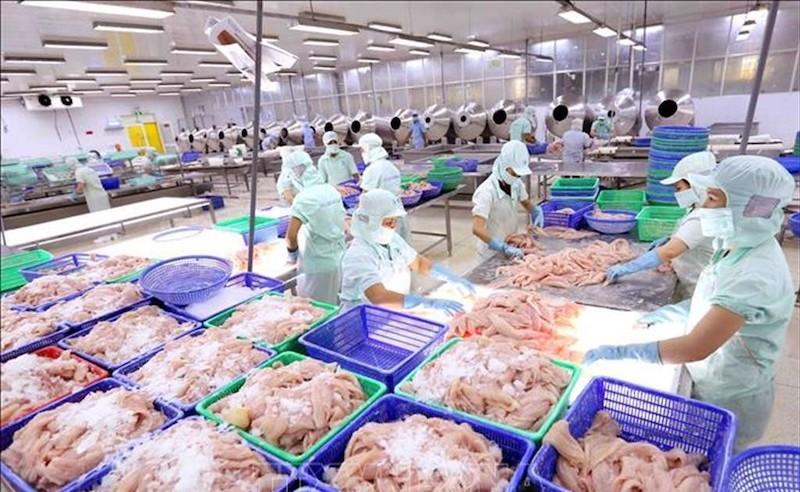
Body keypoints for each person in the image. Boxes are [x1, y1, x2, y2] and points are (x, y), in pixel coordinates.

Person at [585, 155, 796, 451]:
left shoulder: (754, 275)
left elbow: (695, 347)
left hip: (731, 392)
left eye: (712, 198)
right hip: (715, 375)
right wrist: (672, 312)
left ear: (750, 207)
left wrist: (619, 353)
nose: (704, 206)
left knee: (714, 457)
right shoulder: (737, 245)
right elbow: (714, 299)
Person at [340, 189, 474, 314]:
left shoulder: (392, 240)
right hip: (364, 319)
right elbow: (379, 297)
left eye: (394, 221)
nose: (393, 226)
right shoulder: (359, 255)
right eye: (388, 222)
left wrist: (450, 277)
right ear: (370, 221)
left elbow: (418, 263)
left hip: (392, 313)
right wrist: (429, 303)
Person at [607, 151, 718, 300]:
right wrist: (671, 238)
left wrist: (626, 268)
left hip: (700, 289)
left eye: (679, 188)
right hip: (693, 281)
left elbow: (669, 252)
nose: (676, 194)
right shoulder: (698, 208)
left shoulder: (702, 217)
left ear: (696, 185)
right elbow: (688, 236)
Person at [285, 163, 346, 305]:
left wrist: (292, 256)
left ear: (296, 177)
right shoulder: (331, 190)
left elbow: (291, 236)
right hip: (338, 257)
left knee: (317, 309)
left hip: (317, 264)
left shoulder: (303, 198)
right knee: (338, 304)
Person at [472, 140, 544, 259]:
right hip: (490, 252)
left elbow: (525, 202)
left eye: (519, 174)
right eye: (514, 173)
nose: (516, 177)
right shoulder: (486, 191)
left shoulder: (516, 183)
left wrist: (535, 210)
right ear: (504, 165)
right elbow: (477, 228)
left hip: (512, 244)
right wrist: (502, 247)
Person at [358, 133, 409, 241]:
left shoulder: (372, 169)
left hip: (383, 218)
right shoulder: (391, 166)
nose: (361, 153)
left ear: (367, 148)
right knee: (399, 246)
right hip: (397, 211)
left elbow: (366, 198)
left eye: (362, 149)